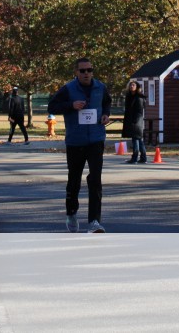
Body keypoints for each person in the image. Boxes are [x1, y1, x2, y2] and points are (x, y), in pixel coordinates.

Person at [48, 58, 112, 233]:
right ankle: (71, 212)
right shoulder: (68, 89)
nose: (86, 73)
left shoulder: (100, 87)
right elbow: (52, 107)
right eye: (82, 71)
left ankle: (94, 221)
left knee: (95, 180)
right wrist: (71, 105)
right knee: (74, 180)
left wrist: (106, 114)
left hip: (96, 139)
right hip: (76, 141)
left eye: (89, 70)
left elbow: (107, 102)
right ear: (76, 72)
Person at [122, 80, 148, 163]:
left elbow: (139, 111)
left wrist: (135, 121)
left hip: (136, 121)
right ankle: (143, 158)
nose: (131, 86)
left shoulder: (139, 97)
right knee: (139, 140)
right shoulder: (129, 96)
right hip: (131, 120)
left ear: (137, 87)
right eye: (130, 85)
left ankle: (134, 158)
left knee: (135, 139)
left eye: (133, 85)